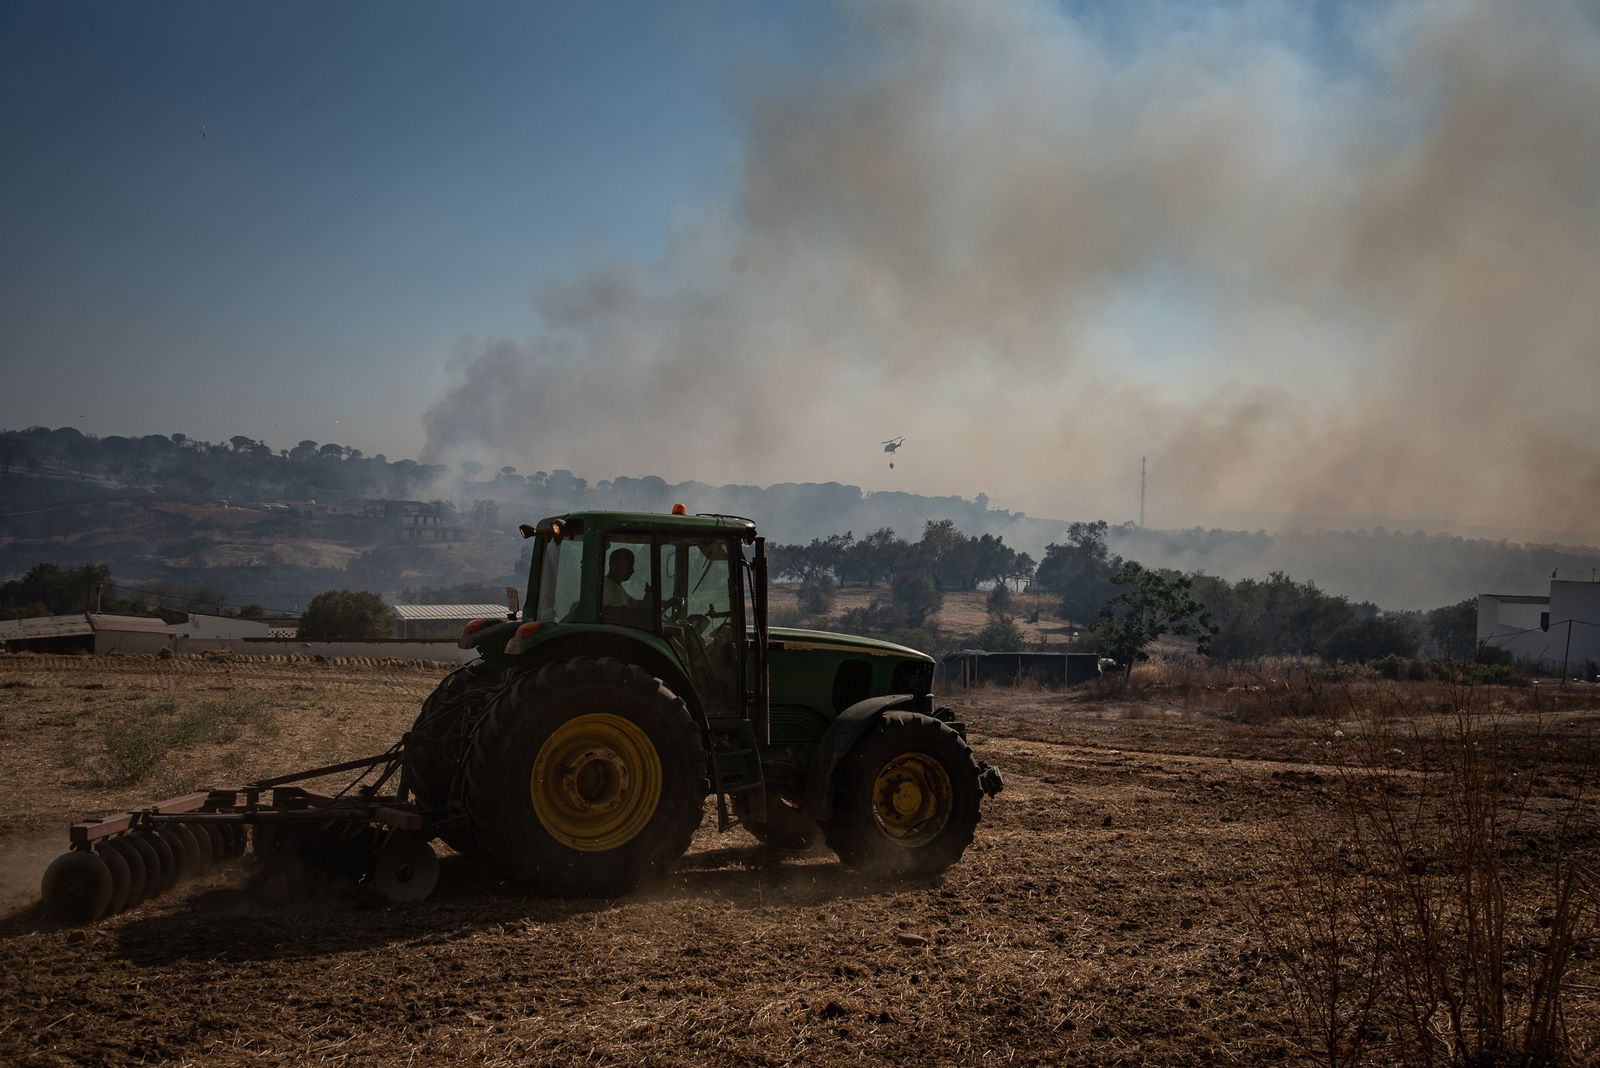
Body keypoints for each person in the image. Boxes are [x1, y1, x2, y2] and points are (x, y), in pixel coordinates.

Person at [603, 548, 649, 622]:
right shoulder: (609, 590)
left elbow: (633, 603)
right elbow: (628, 616)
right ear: (616, 565)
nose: (633, 570)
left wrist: (648, 598)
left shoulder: (615, 586)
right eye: (629, 566)